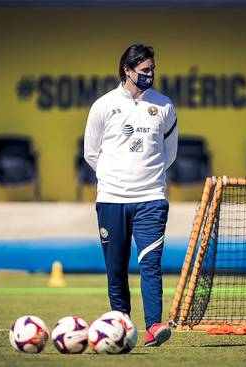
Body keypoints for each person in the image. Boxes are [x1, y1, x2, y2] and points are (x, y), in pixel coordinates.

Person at [84, 43, 178, 347]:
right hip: (111, 200)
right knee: (116, 270)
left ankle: (154, 327)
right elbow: (91, 153)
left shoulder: (164, 106)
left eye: (153, 69)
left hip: (151, 199)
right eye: (145, 70)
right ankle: (120, 327)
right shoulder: (103, 105)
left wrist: (146, 180)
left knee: (150, 264)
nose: (150, 74)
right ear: (127, 70)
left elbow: (170, 154)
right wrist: (115, 180)